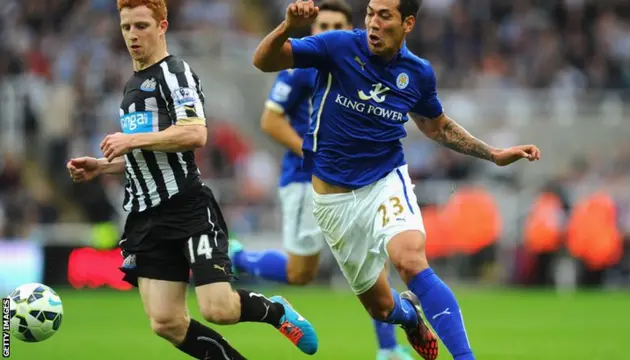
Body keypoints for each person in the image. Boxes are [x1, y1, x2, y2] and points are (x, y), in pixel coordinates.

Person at [252, 0, 542, 359]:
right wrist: (286, 26)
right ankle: (410, 319)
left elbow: (438, 127)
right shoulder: (338, 45)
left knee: (410, 260)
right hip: (333, 201)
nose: (373, 22)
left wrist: (493, 154)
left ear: (408, 23)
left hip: (384, 181)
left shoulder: (417, 73)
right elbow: (264, 60)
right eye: (370, 12)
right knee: (381, 308)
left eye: (384, 15)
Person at [66, 1, 318, 359]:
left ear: (162, 25)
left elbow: (194, 133)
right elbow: (152, 156)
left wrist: (131, 141)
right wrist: (102, 166)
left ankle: (276, 311)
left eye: (141, 26)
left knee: (218, 309)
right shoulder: (131, 87)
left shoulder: (175, 73)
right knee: (165, 321)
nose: (133, 36)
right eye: (126, 28)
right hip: (147, 220)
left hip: (187, 209)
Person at [230, 1, 413, 359]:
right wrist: (313, 154)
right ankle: (239, 260)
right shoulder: (300, 68)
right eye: (322, 24)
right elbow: (271, 121)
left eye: (336, 25)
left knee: (377, 255)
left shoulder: (359, 65)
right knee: (301, 273)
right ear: (313, 30)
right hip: (304, 179)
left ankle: (389, 349)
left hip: (354, 180)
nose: (328, 31)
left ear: (350, 30)